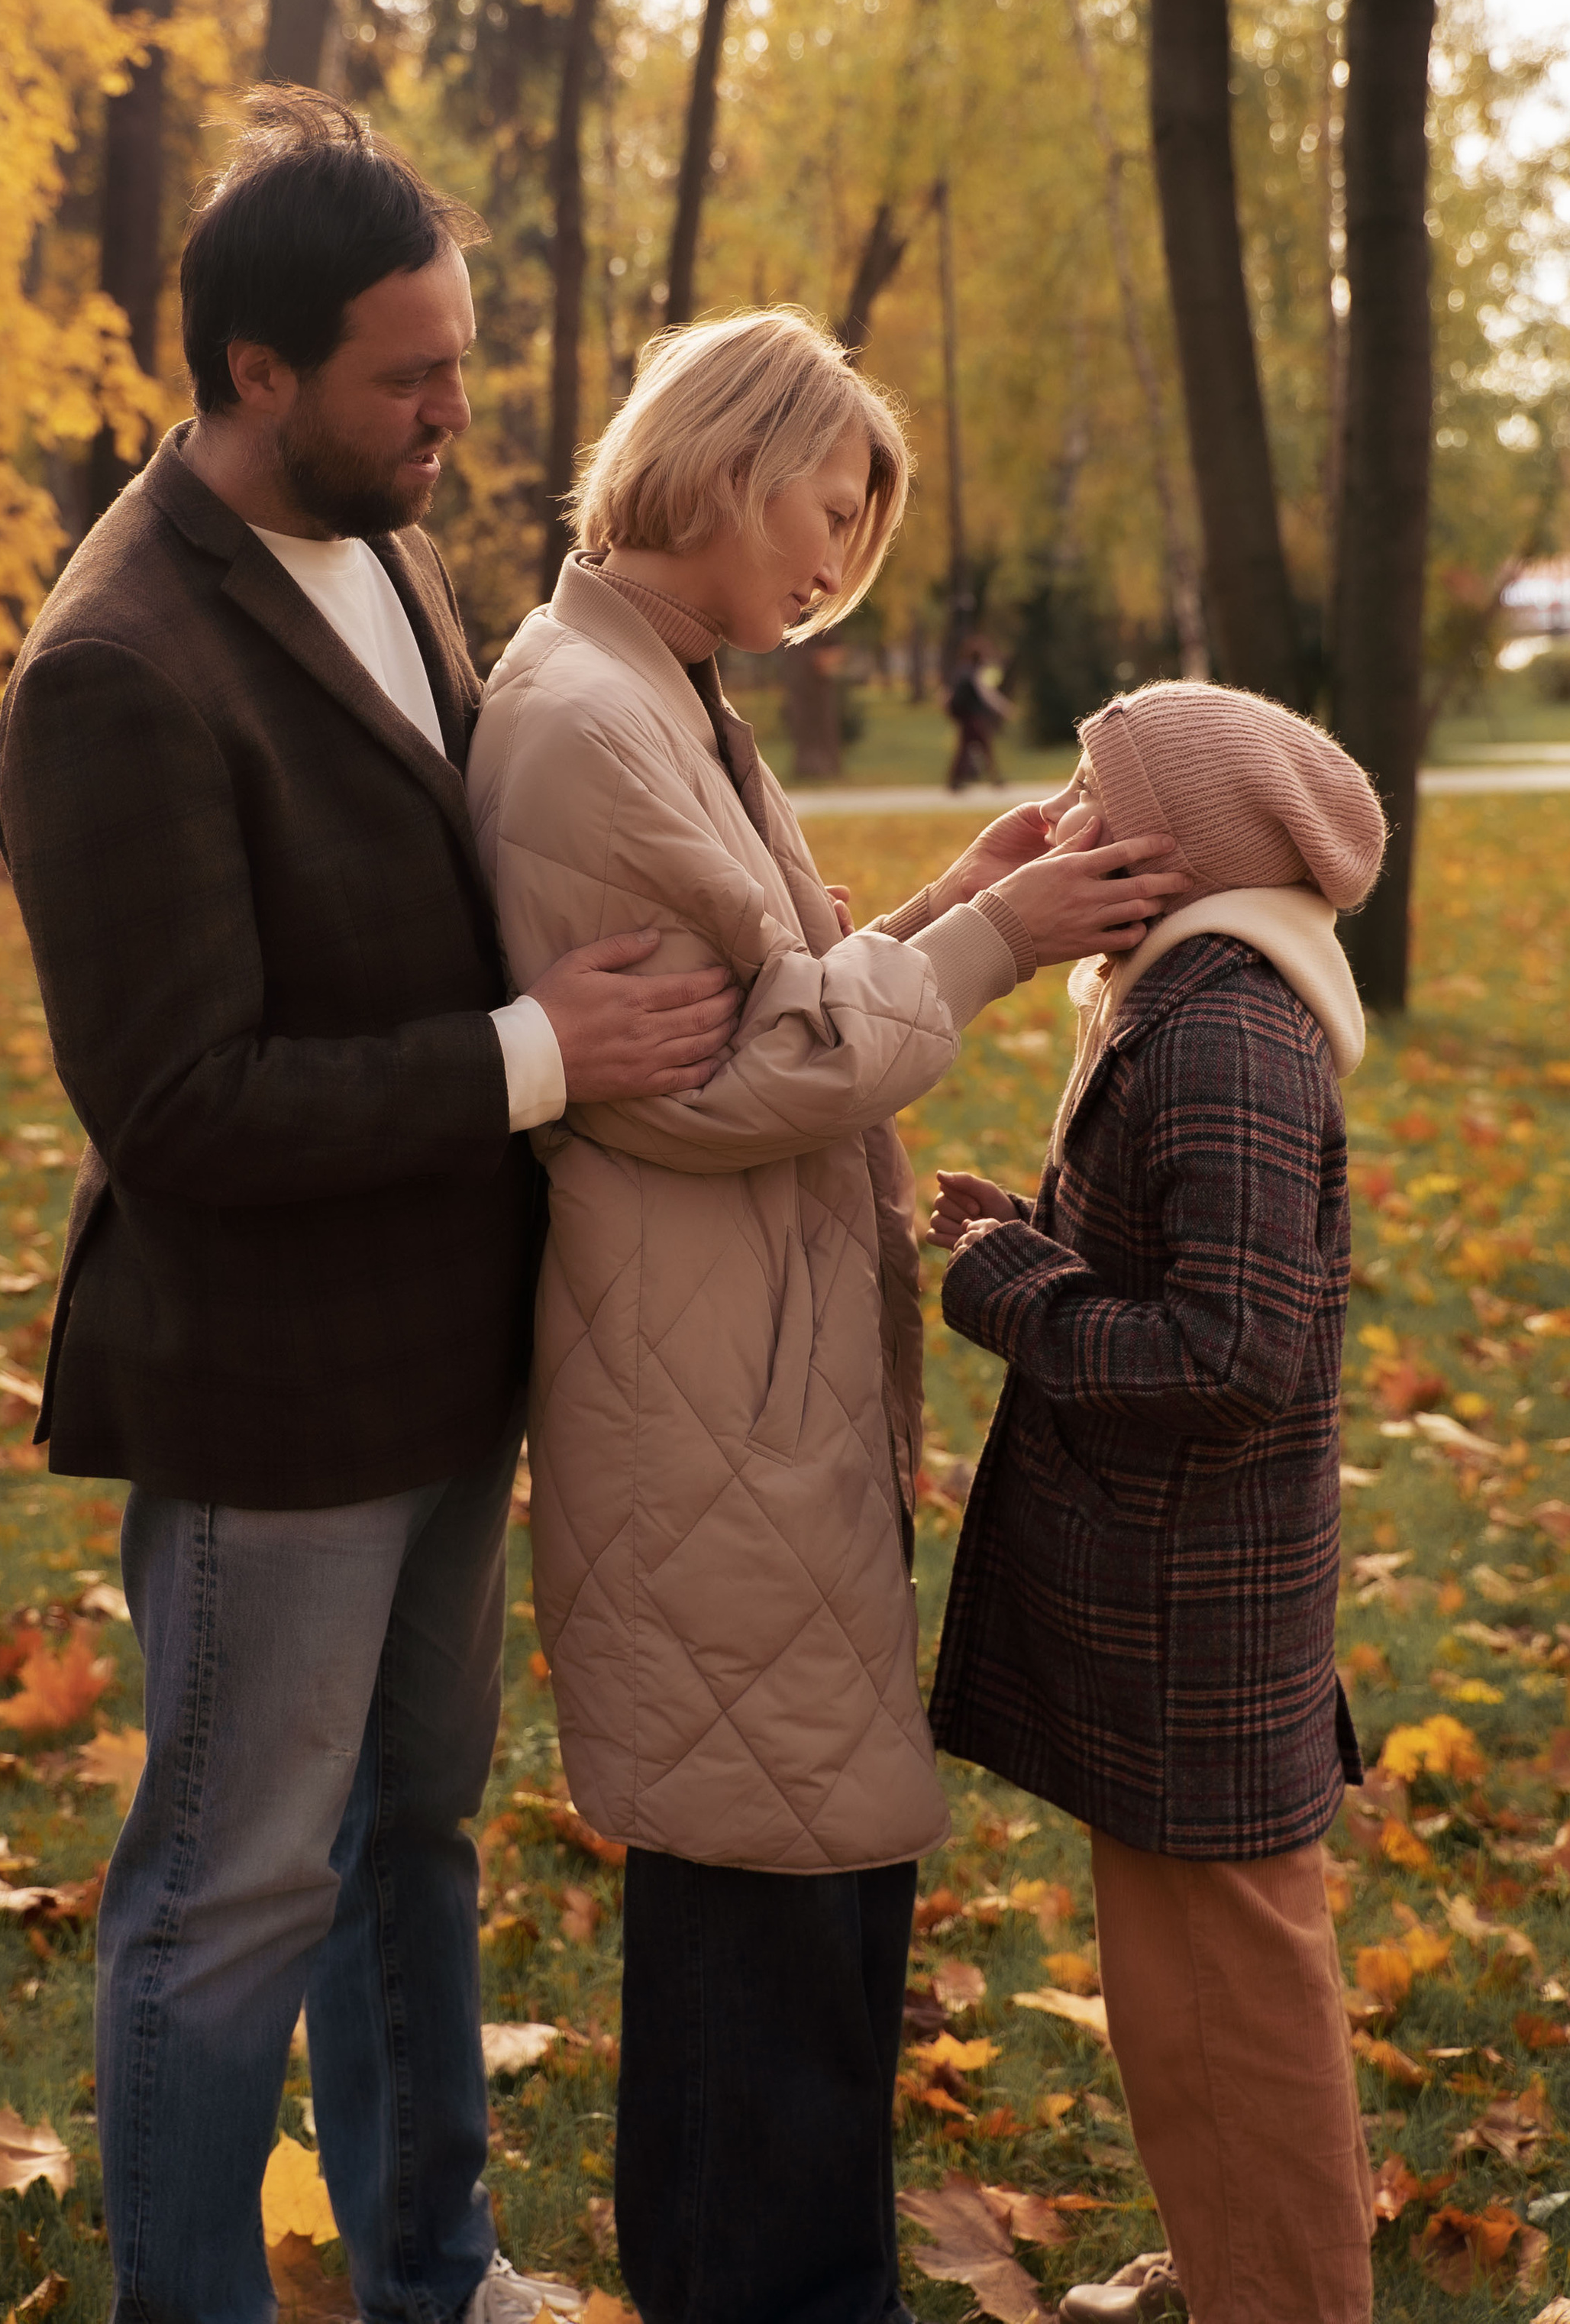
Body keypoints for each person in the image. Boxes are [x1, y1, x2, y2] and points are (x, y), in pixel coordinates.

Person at [0, 87, 745, 2324]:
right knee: (230, 1893)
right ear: (255, 373)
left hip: (447, 1359)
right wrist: (538, 1051)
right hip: (268, 1398)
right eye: (410, 371)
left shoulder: (392, 544)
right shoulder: (118, 663)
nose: (455, 411)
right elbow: (178, 1103)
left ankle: (432, 2267)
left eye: (460, 356)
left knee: (410, 1836)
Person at [466, 309, 1190, 2324]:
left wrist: (944, 898)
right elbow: (715, 1077)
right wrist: (991, 939)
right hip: (705, 1396)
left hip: (754, 1382)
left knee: (811, 1901)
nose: (840, 550)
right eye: (827, 498)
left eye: (864, 519)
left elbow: (759, 989)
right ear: (714, 457)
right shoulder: (585, 726)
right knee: (766, 1919)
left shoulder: (662, 692)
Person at [926, 680, 1389, 2324]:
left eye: (1085, 786)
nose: (1054, 808)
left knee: (1221, 1997)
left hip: (1194, 1598)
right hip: (1185, 1586)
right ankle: (1234, 2263)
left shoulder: (1216, 1028)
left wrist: (1005, 1292)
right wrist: (1034, 1236)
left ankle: (1279, 2292)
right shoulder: (1176, 993)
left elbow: (1235, 1350)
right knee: (1189, 1987)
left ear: (1170, 845)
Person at [945, 635, 1010, 791]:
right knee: (984, 746)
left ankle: (955, 781)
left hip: (965, 717)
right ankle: (995, 779)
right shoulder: (974, 673)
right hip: (973, 716)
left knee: (965, 748)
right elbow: (986, 695)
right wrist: (1003, 708)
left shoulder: (963, 671)